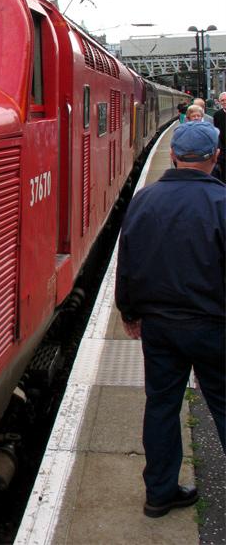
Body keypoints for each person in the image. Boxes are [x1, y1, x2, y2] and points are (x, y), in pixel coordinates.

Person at [115, 121, 225, 518]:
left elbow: (127, 261)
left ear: (175, 156)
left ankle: (160, 494)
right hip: (214, 326)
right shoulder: (222, 203)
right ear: (216, 157)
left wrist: (129, 312)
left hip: (159, 326)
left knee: (161, 406)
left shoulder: (144, 201)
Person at [214, 92, 226, 180]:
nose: (225, 102)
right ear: (220, 102)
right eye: (223, 100)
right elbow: (216, 132)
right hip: (223, 150)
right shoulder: (217, 115)